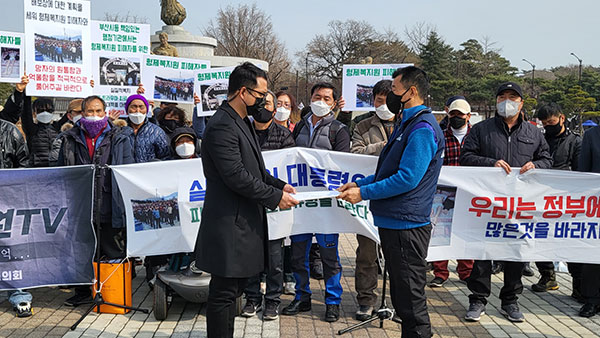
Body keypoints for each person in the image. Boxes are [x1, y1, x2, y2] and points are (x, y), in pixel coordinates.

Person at [193, 62, 298, 338]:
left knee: (232, 291)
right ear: (243, 92)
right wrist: (275, 198)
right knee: (224, 294)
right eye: (260, 95)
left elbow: (255, 169)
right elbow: (236, 176)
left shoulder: (241, 122)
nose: (264, 101)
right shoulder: (221, 125)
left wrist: (279, 184)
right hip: (229, 224)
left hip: (242, 222)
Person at [339, 66, 443, 337]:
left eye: (395, 91)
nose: (389, 98)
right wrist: (360, 184)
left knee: (410, 302)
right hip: (395, 222)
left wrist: (363, 194)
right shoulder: (406, 123)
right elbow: (390, 169)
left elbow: (407, 178)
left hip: (406, 225)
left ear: (412, 91)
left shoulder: (421, 128)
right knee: (402, 295)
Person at [460, 82, 552, 323]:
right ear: (496, 100)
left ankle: (510, 300)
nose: (507, 101)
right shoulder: (481, 130)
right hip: (487, 204)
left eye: (513, 97)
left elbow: (547, 159)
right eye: (502, 96)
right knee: (482, 252)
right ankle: (478, 299)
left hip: (520, 206)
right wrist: (490, 163)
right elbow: (466, 157)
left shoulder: (534, 133)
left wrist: (537, 166)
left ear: (521, 103)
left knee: (515, 253)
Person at [282, 82, 350, 323]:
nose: (321, 101)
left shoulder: (339, 130)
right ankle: (302, 296)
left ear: (334, 103)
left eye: (327, 98)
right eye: (317, 96)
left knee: (329, 257)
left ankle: (333, 301)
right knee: (298, 255)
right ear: (310, 98)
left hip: (325, 206)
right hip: (300, 203)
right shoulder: (299, 126)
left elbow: (343, 165)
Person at [59, 95, 135, 307]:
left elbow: (128, 169)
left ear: (105, 112)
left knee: (112, 248)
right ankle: (84, 292)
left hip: (111, 202)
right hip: (81, 204)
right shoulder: (69, 138)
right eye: (90, 112)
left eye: (98, 111)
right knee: (83, 251)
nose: (94, 116)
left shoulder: (119, 136)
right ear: (82, 114)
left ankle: (115, 294)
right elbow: (62, 171)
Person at [241, 90, 295, 321]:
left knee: (275, 257)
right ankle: (252, 298)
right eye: (261, 102)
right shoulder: (244, 132)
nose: (264, 107)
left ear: (275, 109)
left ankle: (272, 300)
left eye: (269, 103)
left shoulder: (284, 136)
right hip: (250, 201)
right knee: (250, 253)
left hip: (275, 202)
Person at [349, 79, 394, 321]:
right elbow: (355, 153)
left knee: (396, 255)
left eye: (388, 100)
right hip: (367, 198)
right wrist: (383, 146)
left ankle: (397, 301)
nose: (384, 104)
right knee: (366, 254)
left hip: (396, 199)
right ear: (373, 100)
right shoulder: (362, 125)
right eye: (379, 100)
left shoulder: (406, 124)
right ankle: (365, 300)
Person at [532, 103, 582, 295]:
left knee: (569, 241)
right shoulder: (541, 139)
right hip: (541, 198)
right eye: (544, 124)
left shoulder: (575, 141)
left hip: (567, 200)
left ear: (562, 118)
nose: (548, 126)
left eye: (551, 122)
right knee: (539, 237)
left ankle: (578, 283)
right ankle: (547, 276)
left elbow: (581, 171)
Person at [428, 98, 474, 288]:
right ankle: (440, 272)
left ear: (468, 116)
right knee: (440, 231)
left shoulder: (476, 135)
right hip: (443, 192)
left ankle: (466, 271)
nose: (456, 118)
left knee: (467, 232)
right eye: (453, 114)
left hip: (470, 192)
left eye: (460, 115)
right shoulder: (440, 135)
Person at [0, 113, 31, 317]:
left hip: (6, 199)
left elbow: (25, 165)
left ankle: (20, 296)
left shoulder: (10, 130)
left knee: (11, 248)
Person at [578, 125, 600, 317]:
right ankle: (591, 300)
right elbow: (583, 171)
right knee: (593, 255)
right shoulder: (592, 135)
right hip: (595, 205)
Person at [124, 94, 171, 163]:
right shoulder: (120, 130)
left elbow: (165, 156)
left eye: (141, 107)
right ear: (127, 110)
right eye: (134, 107)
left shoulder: (156, 132)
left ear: (146, 110)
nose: (138, 110)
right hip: (124, 173)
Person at [49, 98, 84, 166]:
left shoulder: (99, 136)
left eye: (85, 112)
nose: (82, 115)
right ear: (69, 116)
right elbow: (55, 165)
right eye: (78, 112)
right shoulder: (63, 139)